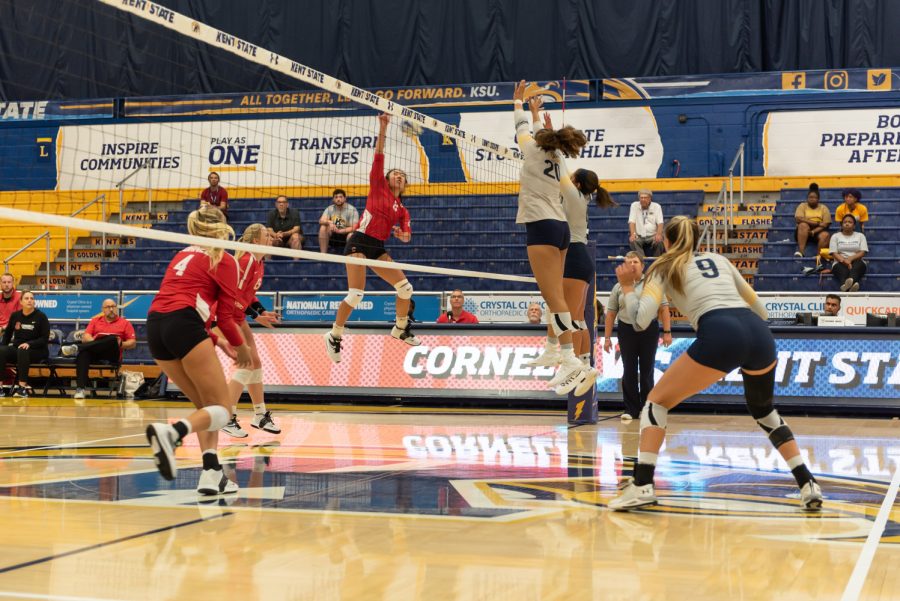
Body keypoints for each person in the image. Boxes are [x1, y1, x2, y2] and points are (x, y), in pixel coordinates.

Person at [608, 216, 822, 512]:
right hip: (758, 333)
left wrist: (628, 287)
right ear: (697, 239)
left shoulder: (663, 266)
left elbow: (641, 320)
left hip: (720, 331)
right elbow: (759, 308)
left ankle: (642, 484)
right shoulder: (718, 259)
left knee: (655, 404)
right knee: (764, 410)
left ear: (665, 241)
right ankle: (807, 482)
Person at [143, 206, 253, 496]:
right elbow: (226, 318)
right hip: (184, 324)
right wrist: (242, 349)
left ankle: (211, 474)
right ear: (222, 227)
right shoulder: (225, 259)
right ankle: (172, 432)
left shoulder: (183, 254)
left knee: (207, 408)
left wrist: (217, 342)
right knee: (223, 409)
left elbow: (186, 304)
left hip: (155, 326)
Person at [324, 114, 420, 363]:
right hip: (359, 240)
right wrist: (383, 126)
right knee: (356, 294)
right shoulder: (378, 185)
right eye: (394, 173)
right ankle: (334, 334)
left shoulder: (403, 209)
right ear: (386, 179)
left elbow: (407, 236)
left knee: (405, 288)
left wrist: (402, 234)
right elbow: (379, 155)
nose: (398, 176)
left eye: (402, 175)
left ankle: (399, 329)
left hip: (378, 246)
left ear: (406, 182)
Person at [220, 223, 282, 438]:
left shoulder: (258, 262)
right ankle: (226, 416)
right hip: (225, 315)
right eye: (267, 234)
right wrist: (255, 315)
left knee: (255, 362)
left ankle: (260, 415)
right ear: (256, 240)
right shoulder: (245, 261)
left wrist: (261, 312)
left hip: (238, 316)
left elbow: (248, 295)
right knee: (245, 363)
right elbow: (233, 294)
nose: (271, 236)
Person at [604, 252, 672, 422]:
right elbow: (611, 314)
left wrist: (667, 332)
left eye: (635, 261)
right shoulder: (618, 287)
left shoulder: (652, 285)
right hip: (626, 330)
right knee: (629, 370)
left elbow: (664, 309)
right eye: (628, 262)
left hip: (649, 329)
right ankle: (631, 409)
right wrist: (606, 338)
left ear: (642, 265)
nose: (632, 264)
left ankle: (647, 408)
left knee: (647, 370)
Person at [61, 298, 136, 401]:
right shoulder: (95, 320)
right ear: (103, 309)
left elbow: (132, 343)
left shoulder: (125, 323)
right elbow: (86, 337)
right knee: (83, 354)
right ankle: (80, 389)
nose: (111, 309)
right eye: (108, 307)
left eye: (113, 306)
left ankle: (76, 347)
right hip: (95, 353)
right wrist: (97, 344)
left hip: (112, 354)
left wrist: (121, 343)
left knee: (112, 339)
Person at [0, 290, 49, 398]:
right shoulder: (15, 316)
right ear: (21, 302)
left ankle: (22, 388)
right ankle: (0, 388)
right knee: (1, 351)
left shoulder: (41, 316)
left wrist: (29, 344)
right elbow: (7, 335)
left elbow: (44, 339)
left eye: (32, 298)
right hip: (18, 348)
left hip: (37, 350)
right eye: (26, 298)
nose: (29, 301)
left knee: (22, 350)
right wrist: (3, 348)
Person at [829, 213, 868, 292]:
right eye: (845, 222)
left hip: (857, 261)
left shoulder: (860, 236)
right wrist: (844, 261)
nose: (847, 224)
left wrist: (850, 259)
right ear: (841, 225)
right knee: (843, 270)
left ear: (854, 226)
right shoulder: (835, 236)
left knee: (857, 266)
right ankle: (852, 286)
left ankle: (846, 285)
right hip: (839, 261)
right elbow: (834, 253)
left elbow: (863, 252)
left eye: (850, 222)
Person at [794, 183, 830, 258]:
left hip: (817, 232)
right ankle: (801, 252)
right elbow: (799, 218)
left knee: (825, 235)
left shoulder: (824, 208)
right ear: (807, 198)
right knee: (803, 225)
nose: (812, 199)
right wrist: (817, 223)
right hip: (802, 231)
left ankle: (818, 256)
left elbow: (826, 224)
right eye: (810, 197)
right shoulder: (802, 206)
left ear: (818, 199)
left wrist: (814, 231)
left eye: (814, 197)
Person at [318, 188, 359, 254]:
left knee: (351, 235)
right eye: (336, 197)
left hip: (345, 235)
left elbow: (354, 227)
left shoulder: (352, 209)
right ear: (333, 199)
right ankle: (323, 254)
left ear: (345, 198)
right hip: (333, 236)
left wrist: (340, 231)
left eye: (340, 197)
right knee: (323, 227)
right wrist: (329, 222)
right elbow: (321, 220)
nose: (338, 199)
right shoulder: (330, 208)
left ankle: (350, 257)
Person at [628, 190, 664, 258]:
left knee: (660, 242)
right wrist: (633, 234)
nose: (643, 199)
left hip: (652, 235)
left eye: (645, 197)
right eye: (641, 198)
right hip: (639, 235)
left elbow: (660, 223)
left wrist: (658, 234)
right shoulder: (634, 205)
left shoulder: (657, 206)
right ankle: (641, 260)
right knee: (633, 241)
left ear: (650, 198)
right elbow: (631, 221)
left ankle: (655, 261)